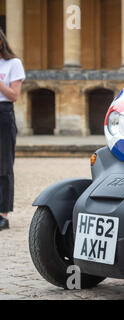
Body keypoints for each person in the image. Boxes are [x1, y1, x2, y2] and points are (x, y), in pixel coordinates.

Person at [0, 29, 26, 230]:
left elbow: (13, 95)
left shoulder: (13, 64)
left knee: (4, 165)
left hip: (3, 113)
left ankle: (3, 214)